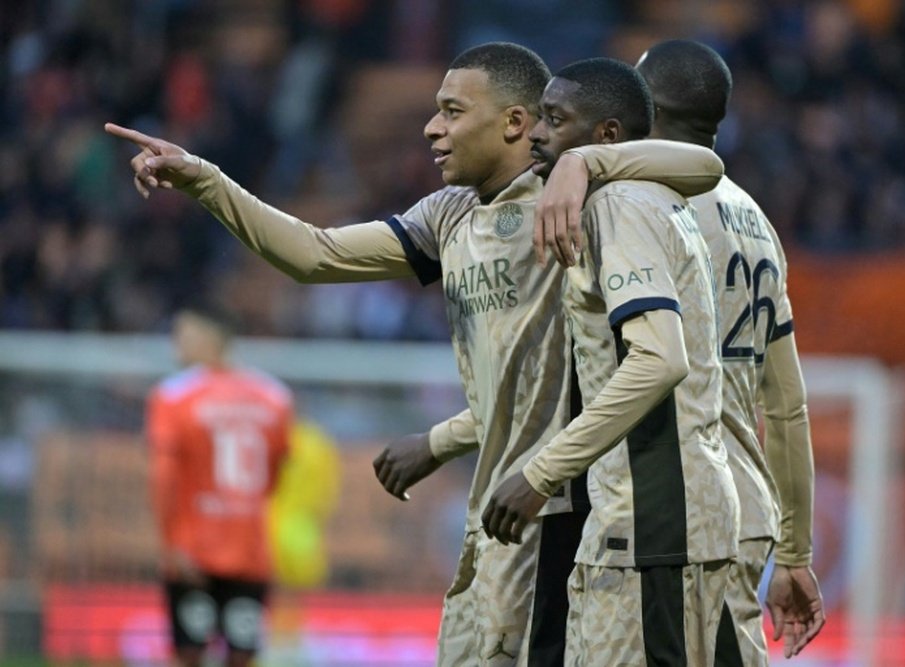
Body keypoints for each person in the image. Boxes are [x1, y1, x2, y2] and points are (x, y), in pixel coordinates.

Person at [109, 42, 723, 665]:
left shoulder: (577, 196)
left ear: (514, 122)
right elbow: (314, 254)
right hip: (496, 506)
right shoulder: (449, 213)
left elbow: (702, 166)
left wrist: (587, 162)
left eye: (453, 111)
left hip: (566, 504)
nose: (433, 127)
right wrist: (205, 180)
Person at [530, 40, 827, 662]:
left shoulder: (645, 204)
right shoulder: (756, 221)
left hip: (669, 509)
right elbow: (787, 405)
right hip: (743, 510)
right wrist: (795, 553)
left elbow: (653, 362)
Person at [481, 57, 741, 665]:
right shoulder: (651, 194)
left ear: (607, 136)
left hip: (652, 520)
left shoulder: (617, 206)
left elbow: (657, 360)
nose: (538, 134)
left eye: (556, 119)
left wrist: (541, 471)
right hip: (674, 517)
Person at [146, 302, 292, 667]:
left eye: (182, 335)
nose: (175, 345)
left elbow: (163, 477)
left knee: (189, 654)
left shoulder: (173, 396)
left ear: (209, 339)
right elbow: (276, 473)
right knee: (241, 656)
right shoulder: (274, 396)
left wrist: (170, 542)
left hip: (191, 549)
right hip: (250, 549)